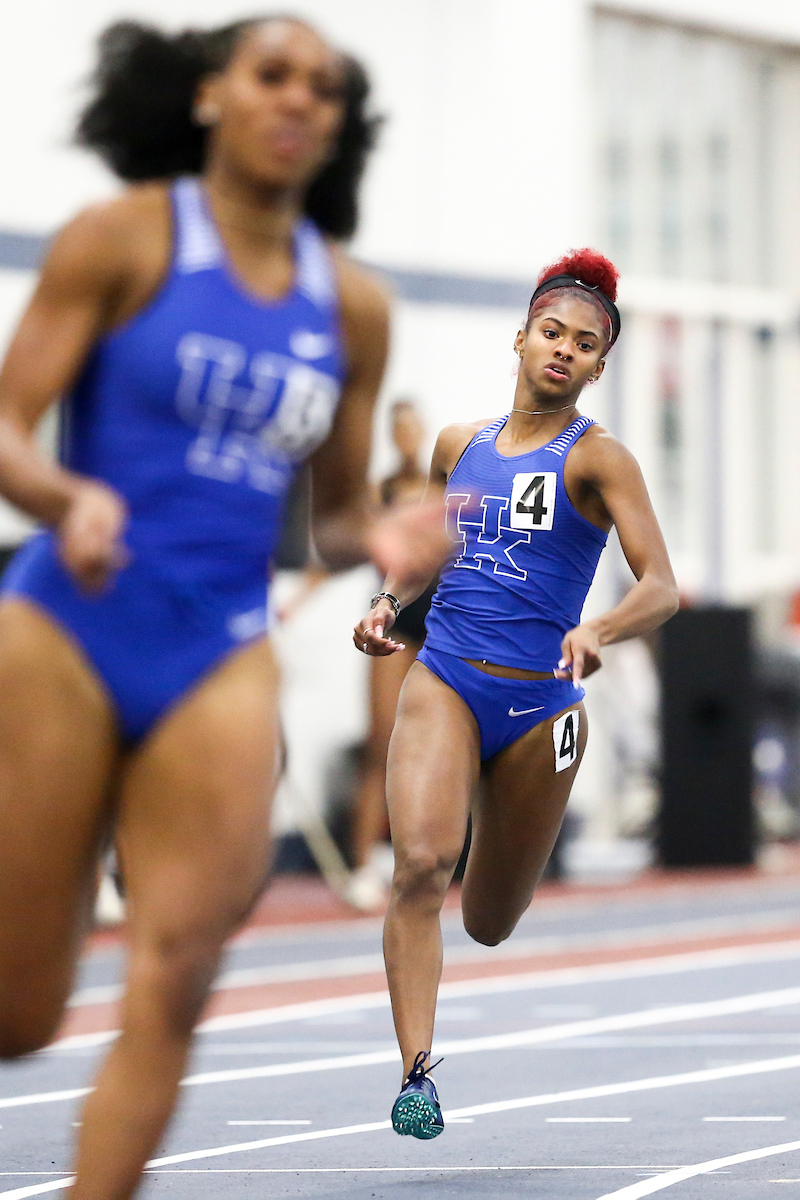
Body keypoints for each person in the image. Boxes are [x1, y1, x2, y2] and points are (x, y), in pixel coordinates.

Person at [0, 16, 443, 1199]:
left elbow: (340, 510)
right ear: (211, 95)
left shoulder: (350, 306)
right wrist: (62, 492)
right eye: (271, 75)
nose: (297, 100)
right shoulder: (122, 239)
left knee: (177, 977)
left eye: (323, 89)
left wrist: (385, 539)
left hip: (218, 648)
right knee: (19, 1012)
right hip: (65, 629)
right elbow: (5, 425)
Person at [354, 249, 679, 1138]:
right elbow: (427, 550)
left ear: (599, 366)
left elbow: (662, 585)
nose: (563, 351)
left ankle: (503, 859)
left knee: (491, 921)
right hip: (447, 677)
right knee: (420, 864)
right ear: (522, 338)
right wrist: (387, 602)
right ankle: (416, 1074)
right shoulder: (457, 445)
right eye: (551, 332)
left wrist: (599, 630)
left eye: (584, 343)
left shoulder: (601, 460)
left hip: (542, 704)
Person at [346, 399, 438, 910]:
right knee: (381, 740)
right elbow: (347, 545)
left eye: (413, 428)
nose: (407, 437)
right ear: (391, 435)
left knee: (432, 742)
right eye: (398, 430)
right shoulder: (377, 492)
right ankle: (363, 862)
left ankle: (423, 855)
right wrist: (296, 601)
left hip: (438, 617)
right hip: (393, 613)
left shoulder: (441, 484)